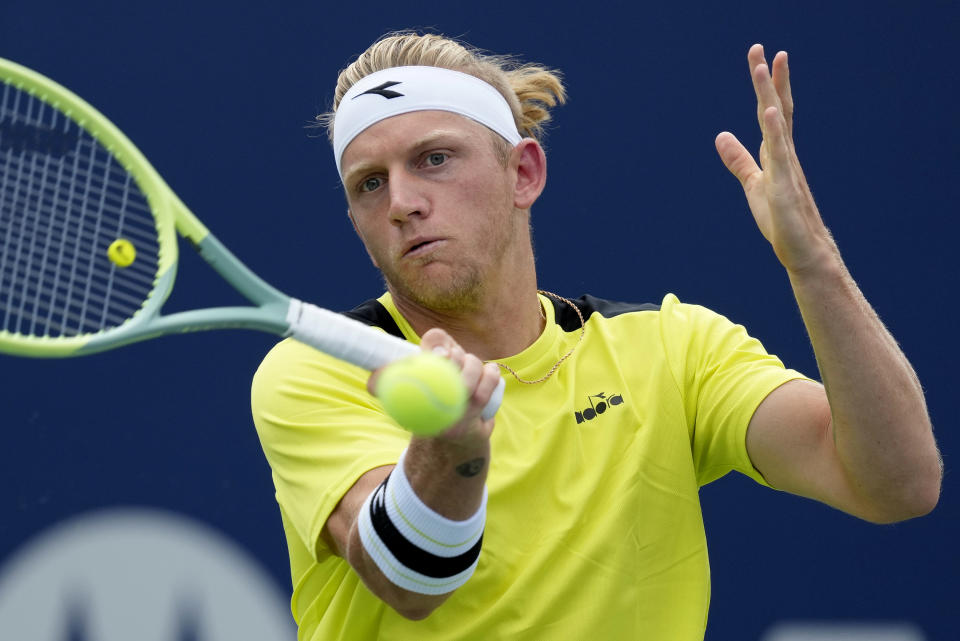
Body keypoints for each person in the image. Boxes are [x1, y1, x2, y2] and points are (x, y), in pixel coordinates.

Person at [251, 31, 942, 640]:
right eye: (370, 183)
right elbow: (409, 579)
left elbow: (898, 484)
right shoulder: (320, 369)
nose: (402, 202)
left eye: (434, 159)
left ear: (523, 173)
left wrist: (813, 262)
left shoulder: (671, 348)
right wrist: (455, 450)